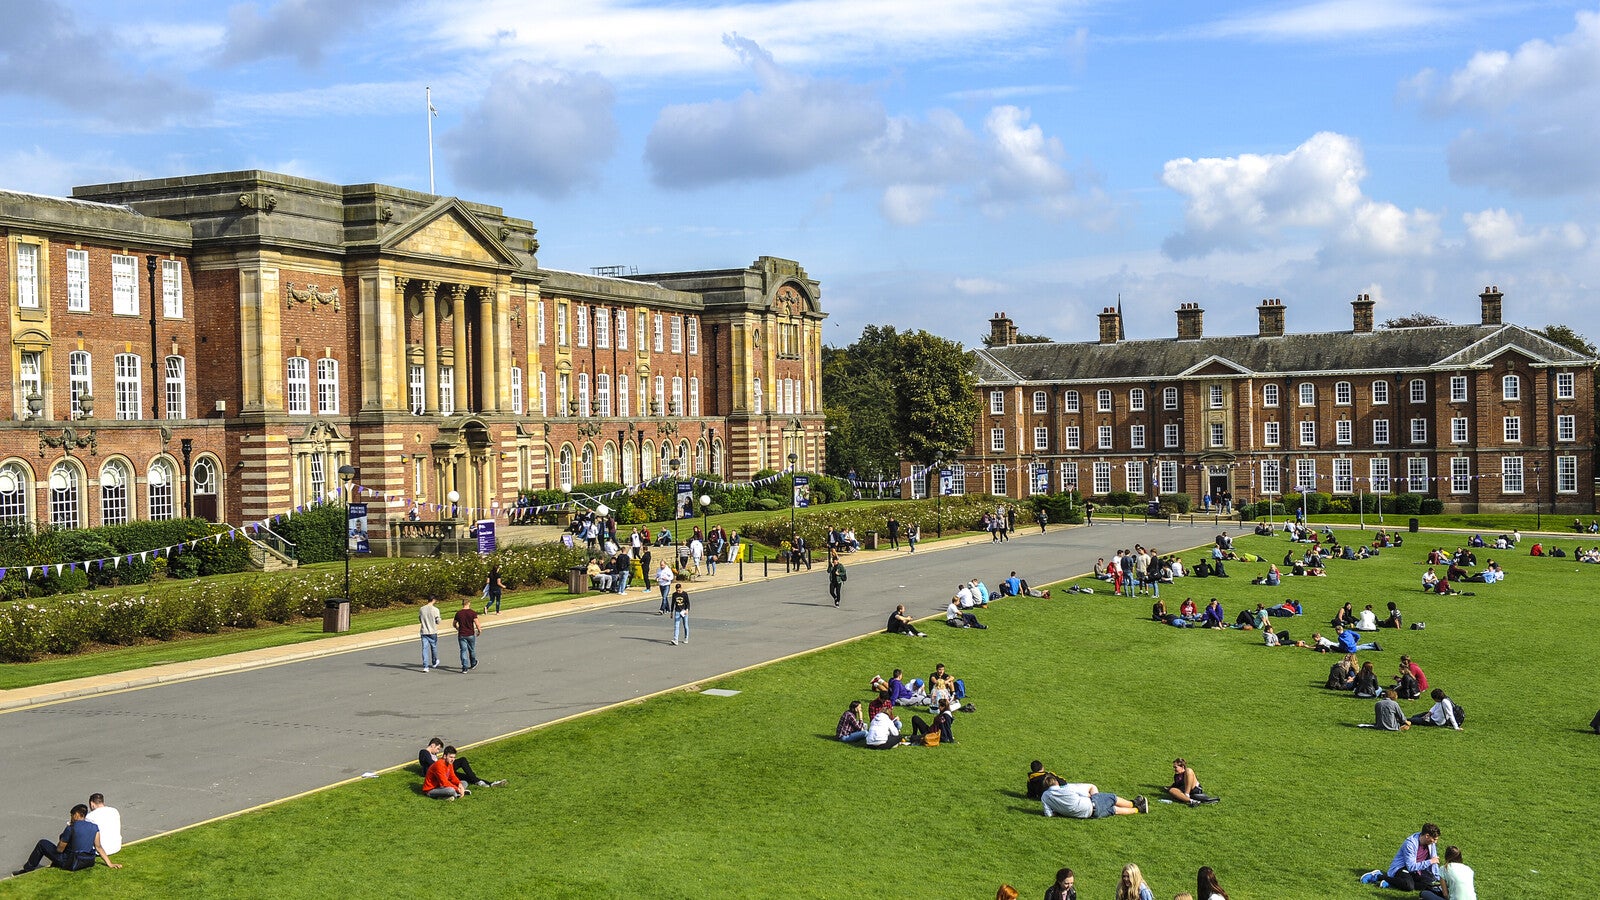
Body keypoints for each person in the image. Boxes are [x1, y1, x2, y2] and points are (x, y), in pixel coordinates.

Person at [13, 803, 121, 875]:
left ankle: (27, 869)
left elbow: (59, 849)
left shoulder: (71, 828)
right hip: (88, 861)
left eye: (72, 815)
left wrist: (62, 837)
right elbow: (98, 847)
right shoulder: (94, 827)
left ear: (78, 815)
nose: (71, 818)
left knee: (42, 843)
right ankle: (53, 865)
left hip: (72, 863)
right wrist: (110, 864)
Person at [1368, 823, 1442, 891]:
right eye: (1434, 839)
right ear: (1427, 836)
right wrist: (1430, 861)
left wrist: (1437, 878)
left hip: (1416, 870)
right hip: (1402, 868)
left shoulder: (1431, 844)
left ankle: (1394, 883)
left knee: (1428, 884)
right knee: (1409, 886)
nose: (1435, 842)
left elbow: (1434, 862)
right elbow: (1411, 867)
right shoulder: (1410, 844)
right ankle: (1379, 876)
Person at [1038, 774, 1147, 817]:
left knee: (1114, 810)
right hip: (1092, 804)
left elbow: (1048, 814)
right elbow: (1085, 794)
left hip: (1090, 815)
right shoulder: (1067, 788)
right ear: (1056, 782)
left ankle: (1139, 809)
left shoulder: (1045, 797)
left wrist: (1058, 812)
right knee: (1113, 798)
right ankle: (1134, 803)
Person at [419, 737, 505, 787]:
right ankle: (481, 782)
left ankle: (488, 783)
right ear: (432, 745)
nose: (438, 751)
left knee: (464, 776)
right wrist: (443, 761)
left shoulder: (433, 754)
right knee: (462, 760)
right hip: (440, 770)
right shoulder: (424, 752)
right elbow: (432, 764)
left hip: (443, 769)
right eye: (438, 748)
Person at [452, 597, 481, 672]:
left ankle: (464, 667)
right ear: (469, 603)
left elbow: (454, 623)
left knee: (463, 650)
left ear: (462, 604)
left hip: (462, 634)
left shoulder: (458, 613)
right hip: (470, 634)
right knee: (471, 649)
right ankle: (473, 663)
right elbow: (477, 624)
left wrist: (457, 628)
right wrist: (479, 630)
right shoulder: (472, 613)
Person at [418, 595, 442, 672]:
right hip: (432, 631)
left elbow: (420, 619)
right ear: (433, 600)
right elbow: (438, 621)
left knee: (424, 649)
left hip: (424, 631)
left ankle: (426, 666)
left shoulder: (421, 609)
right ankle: (434, 661)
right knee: (433, 647)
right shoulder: (435, 609)